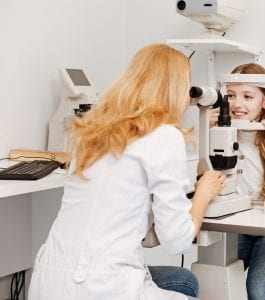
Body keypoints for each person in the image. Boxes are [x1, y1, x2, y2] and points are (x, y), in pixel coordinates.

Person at [28, 43, 225, 300]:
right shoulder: (165, 136)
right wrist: (202, 194)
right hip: (103, 287)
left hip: (49, 281)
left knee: (183, 281)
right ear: (176, 89)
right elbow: (177, 241)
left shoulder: (90, 131)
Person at [209, 63, 265, 299]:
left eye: (248, 96)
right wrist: (205, 130)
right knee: (218, 278)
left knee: (257, 289)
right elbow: (203, 178)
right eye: (230, 96)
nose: (237, 104)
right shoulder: (220, 132)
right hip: (238, 224)